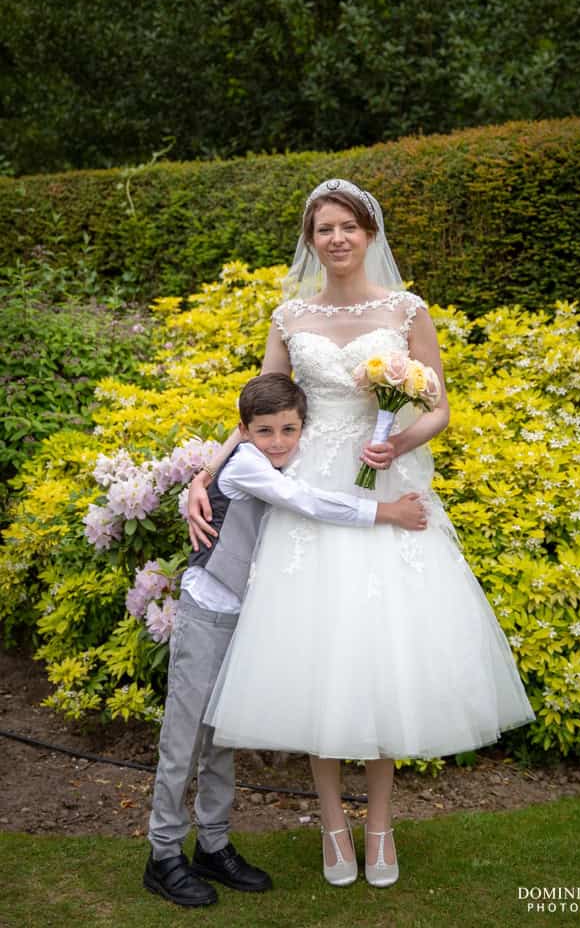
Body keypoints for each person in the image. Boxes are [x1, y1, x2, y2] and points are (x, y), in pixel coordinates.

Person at [189, 179, 536, 889]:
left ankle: (379, 825)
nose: (337, 238)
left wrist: (400, 437)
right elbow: (260, 409)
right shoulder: (290, 315)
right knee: (319, 661)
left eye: (348, 226)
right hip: (311, 495)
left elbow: (439, 405)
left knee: (384, 660)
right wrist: (205, 473)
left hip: (387, 486)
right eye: (324, 229)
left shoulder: (405, 309)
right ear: (311, 240)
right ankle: (332, 826)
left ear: (370, 234)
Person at [144, 371, 427, 907]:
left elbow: (307, 474)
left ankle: (213, 844)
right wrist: (387, 512)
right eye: (264, 430)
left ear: (302, 428)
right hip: (208, 608)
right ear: (245, 431)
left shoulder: (280, 453)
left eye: (288, 429)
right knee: (183, 739)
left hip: (243, 614)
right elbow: (309, 503)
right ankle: (162, 855)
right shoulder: (251, 464)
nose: (278, 441)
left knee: (220, 738)